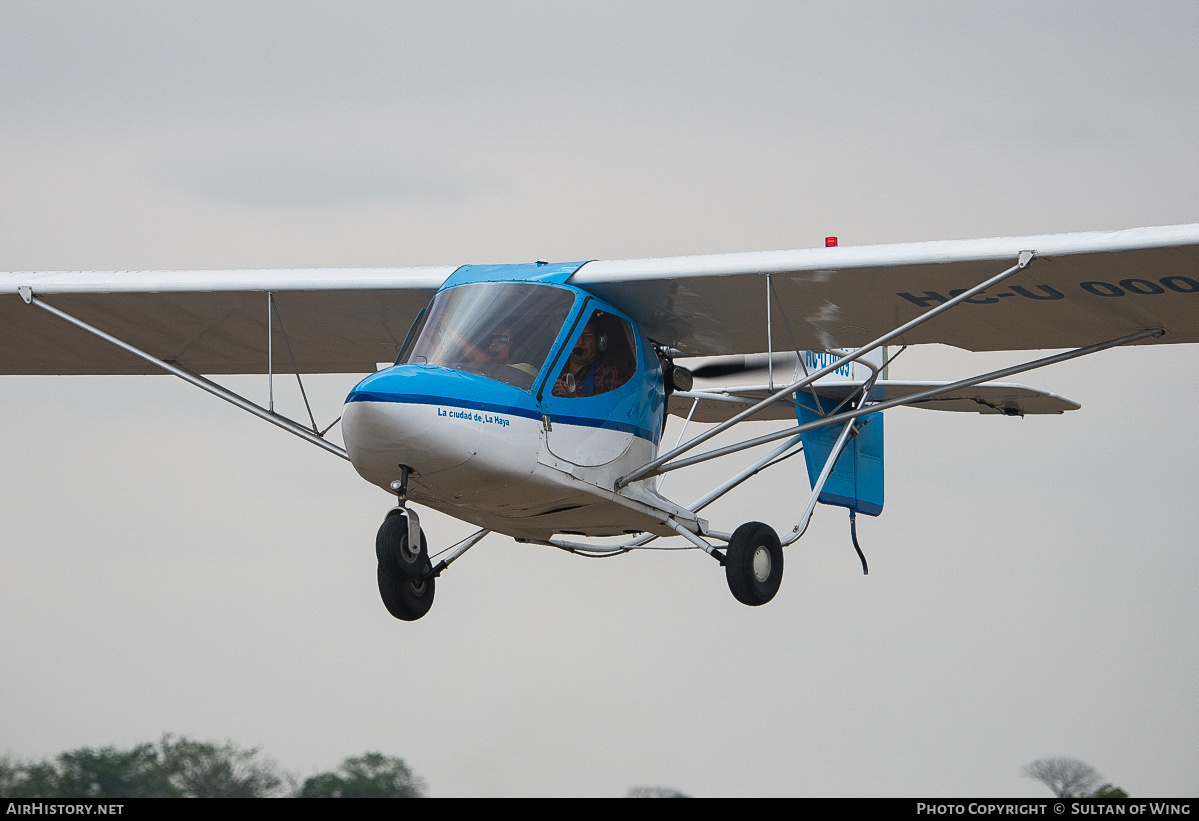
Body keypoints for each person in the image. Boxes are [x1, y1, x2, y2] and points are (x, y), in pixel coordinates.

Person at [552, 319, 624, 397]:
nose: (580, 342)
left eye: (587, 336)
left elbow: (610, 408)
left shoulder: (608, 373)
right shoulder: (553, 371)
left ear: (599, 341)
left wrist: (573, 396)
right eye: (575, 336)